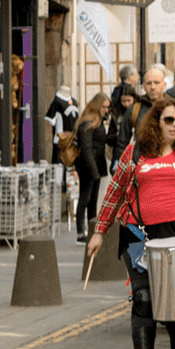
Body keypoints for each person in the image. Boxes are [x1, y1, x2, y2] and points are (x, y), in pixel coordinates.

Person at [87, 98, 175, 349]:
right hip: (137, 234)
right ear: (155, 122)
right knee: (143, 299)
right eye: (169, 120)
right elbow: (115, 191)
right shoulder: (136, 150)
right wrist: (99, 231)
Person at [73, 92, 111, 244]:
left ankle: (92, 229)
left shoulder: (97, 121)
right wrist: (94, 171)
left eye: (107, 107)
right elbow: (87, 149)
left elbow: (101, 141)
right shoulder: (87, 123)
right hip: (88, 166)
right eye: (104, 107)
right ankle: (80, 233)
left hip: (96, 165)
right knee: (85, 198)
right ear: (97, 106)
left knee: (93, 200)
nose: (106, 110)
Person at [116, 68, 166, 151]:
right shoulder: (134, 110)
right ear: (144, 86)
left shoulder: (174, 108)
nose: (153, 87)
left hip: (168, 161)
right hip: (141, 160)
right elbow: (122, 143)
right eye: (149, 83)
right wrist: (117, 161)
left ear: (164, 85)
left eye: (156, 83)